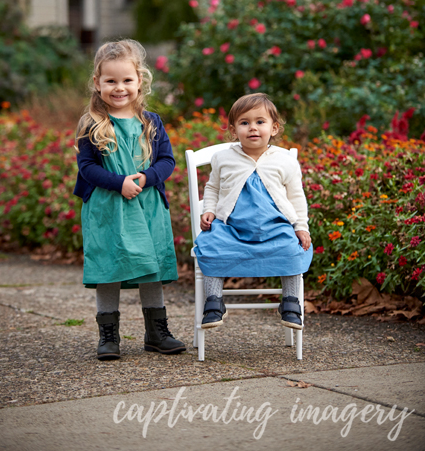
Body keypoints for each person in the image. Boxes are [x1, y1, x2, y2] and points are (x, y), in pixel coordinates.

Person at [73, 40, 186, 360]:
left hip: (147, 205)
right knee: (109, 266)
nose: (119, 88)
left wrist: (146, 178)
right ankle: (108, 335)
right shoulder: (91, 123)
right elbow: (87, 168)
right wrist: (119, 182)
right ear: (97, 83)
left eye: (126, 80)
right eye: (111, 81)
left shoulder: (151, 122)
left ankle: (156, 331)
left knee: (151, 266)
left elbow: (167, 161)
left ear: (140, 81)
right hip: (108, 208)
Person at [193, 92, 313, 330]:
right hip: (232, 226)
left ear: (274, 127)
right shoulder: (223, 157)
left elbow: (296, 196)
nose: (253, 128)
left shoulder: (285, 160)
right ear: (233, 130)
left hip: (275, 226)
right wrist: (208, 209)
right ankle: (214, 302)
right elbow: (213, 187)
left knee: (291, 248)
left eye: (260, 122)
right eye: (244, 123)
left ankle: (290, 302)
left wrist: (300, 227)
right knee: (210, 244)